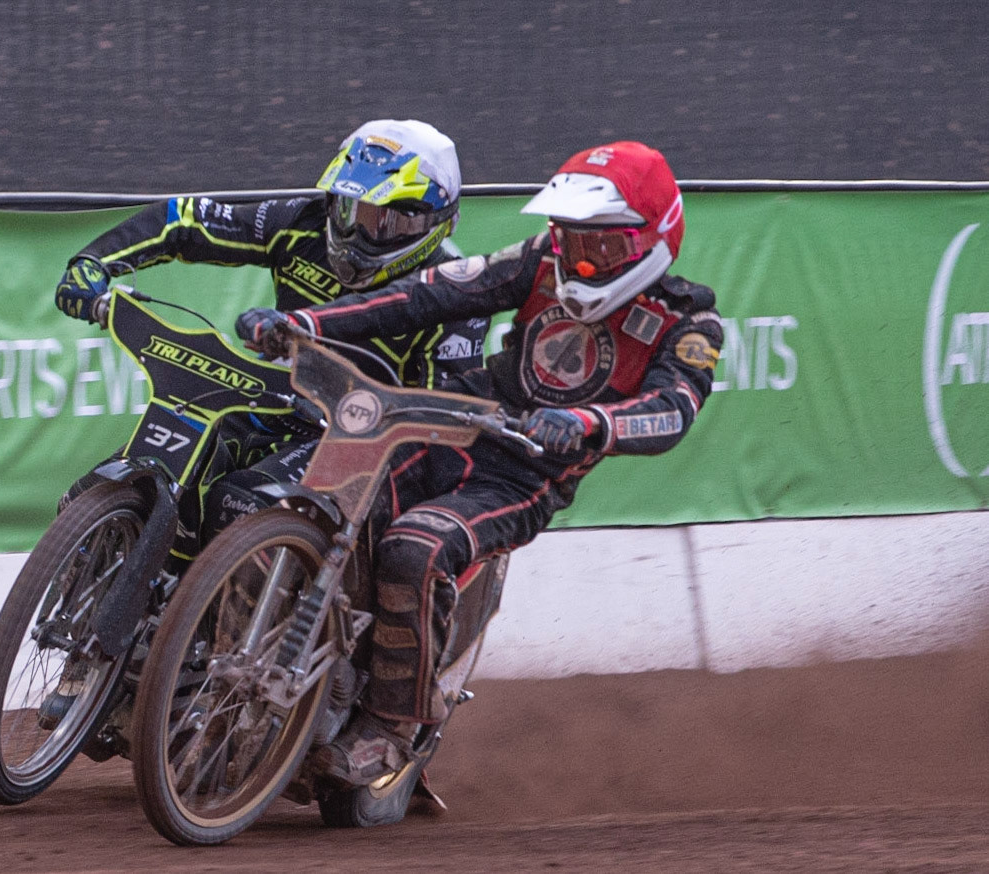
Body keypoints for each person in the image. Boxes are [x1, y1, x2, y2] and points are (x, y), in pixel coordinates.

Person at [238, 140, 723, 787]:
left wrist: (587, 422)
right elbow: (426, 295)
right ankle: (218, 667)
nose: (581, 257)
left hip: (524, 472)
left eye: (601, 245)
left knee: (416, 546)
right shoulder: (540, 260)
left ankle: (390, 727)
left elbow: (673, 410)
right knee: (304, 497)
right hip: (453, 422)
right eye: (571, 238)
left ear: (654, 238)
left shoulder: (689, 320)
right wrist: (305, 324)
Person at [52, 119, 489, 532]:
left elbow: (441, 429)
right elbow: (185, 219)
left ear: (437, 222)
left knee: (238, 505)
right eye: (350, 210)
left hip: (362, 441)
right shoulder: (304, 223)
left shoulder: (454, 289)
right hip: (273, 399)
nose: (357, 235)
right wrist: (95, 262)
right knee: (102, 488)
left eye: (385, 222)